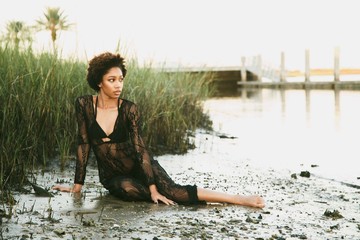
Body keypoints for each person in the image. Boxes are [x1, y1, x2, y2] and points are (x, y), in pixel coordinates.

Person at [52, 52, 265, 208]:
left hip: (139, 165)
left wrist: (154, 188)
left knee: (175, 192)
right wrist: (76, 187)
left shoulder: (129, 109)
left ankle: (238, 199)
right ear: (99, 82)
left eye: (121, 80)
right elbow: (84, 144)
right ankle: (160, 196)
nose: (118, 85)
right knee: (128, 188)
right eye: (112, 80)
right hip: (112, 175)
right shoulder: (84, 105)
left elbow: (139, 148)